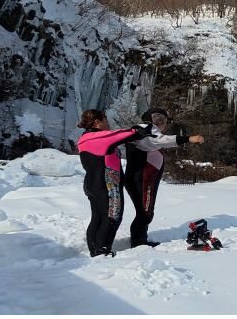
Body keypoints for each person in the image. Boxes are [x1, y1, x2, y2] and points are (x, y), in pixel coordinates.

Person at [76, 109, 153, 257]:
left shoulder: (84, 139)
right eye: (105, 119)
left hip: (92, 183)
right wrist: (145, 128)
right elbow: (125, 133)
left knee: (98, 217)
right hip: (107, 185)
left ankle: (95, 249)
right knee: (112, 216)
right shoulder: (100, 137)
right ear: (98, 122)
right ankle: (102, 251)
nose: (108, 122)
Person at [124, 108, 205, 248]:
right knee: (145, 212)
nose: (162, 122)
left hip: (146, 179)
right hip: (142, 179)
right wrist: (188, 138)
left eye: (164, 119)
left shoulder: (148, 131)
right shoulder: (145, 129)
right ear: (150, 118)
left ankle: (140, 239)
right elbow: (162, 140)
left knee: (146, 211)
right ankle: (138, 243)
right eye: (159, 118)